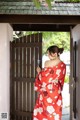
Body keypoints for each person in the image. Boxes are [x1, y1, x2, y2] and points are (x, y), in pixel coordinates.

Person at [33, 45, 66, 120]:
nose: (47, 56)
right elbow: (61, 79)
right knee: (55, 111)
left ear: (54, 54)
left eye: (48, 54)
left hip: (47, 91)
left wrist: (39, 72)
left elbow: (44, 79)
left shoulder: (47, 63)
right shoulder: (63, 65)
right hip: (56, 91)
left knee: (44, 112)